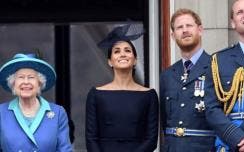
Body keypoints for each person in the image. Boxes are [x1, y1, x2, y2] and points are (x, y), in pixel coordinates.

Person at [205, 0, 244, 151]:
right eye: (239, 12)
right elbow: (212, 109)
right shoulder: (218, 61)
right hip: (234, 145)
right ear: (233, 23)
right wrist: (238, 139)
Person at [85, 24, 159, 152]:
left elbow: (151, 140)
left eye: (127, 50)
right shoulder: (96, 94)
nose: (122, 54)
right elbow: (91, 138)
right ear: (110, 61)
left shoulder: (149, 95)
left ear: (135, 60)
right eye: (117, 51)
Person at [160, 8, 215, 152]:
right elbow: (164, 120)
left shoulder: (217, 67)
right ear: (173, 36)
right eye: (179, 27)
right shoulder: (167, 75)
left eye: (189, 26)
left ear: (200, 30)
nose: (184, 30)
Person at [0, 53, 72, 152]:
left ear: (39, 83)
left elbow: (64, 150)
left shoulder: (58, 113)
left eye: (31, 77)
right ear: (13, 83)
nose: (26, 82)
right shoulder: (1, 112)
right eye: (21, 77)